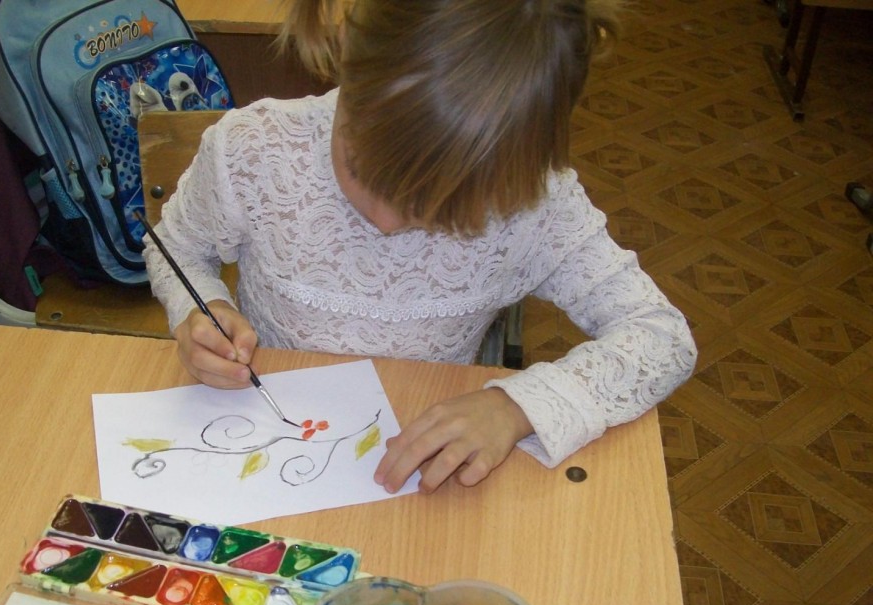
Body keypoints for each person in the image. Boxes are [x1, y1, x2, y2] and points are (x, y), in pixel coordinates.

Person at [143, 0, 697, 495]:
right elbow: (178, 247)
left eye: (438, 201)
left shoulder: (535, 204)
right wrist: (201, 308)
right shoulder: (254, 151)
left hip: (421, 473)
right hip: (266, 442)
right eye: (365, 168)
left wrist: (515, 407)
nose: (386, 219)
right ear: (346, 55)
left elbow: (661, 337)